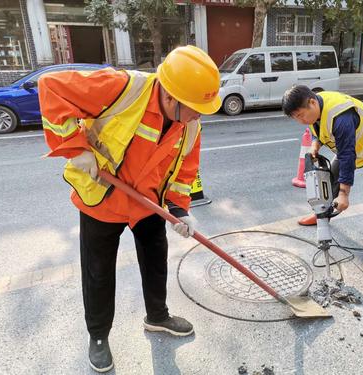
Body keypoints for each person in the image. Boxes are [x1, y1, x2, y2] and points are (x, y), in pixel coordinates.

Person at [39, 46, 221, 373]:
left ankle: (158, 316)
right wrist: (75, 148)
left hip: (148, 204)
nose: (200, 115)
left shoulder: (190, 125)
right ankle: (98, 336)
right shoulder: (122, 88)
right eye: (195, 108)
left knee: (156, 262)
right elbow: (51, 87)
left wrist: (180, 211)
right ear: (170, 97)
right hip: (103, 200)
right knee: (98, 272)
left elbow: (184, 170)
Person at [282, 86, 363, 275]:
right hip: (353, 147)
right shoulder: (315, 107)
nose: (302, 121)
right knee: (327, 178)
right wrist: (316, 144)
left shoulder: (340, 115)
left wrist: (344, 194)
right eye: (296, 118)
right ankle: (322, 215)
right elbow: (319, 128)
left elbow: (347, 155)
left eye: (301, 115)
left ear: (311, 102)